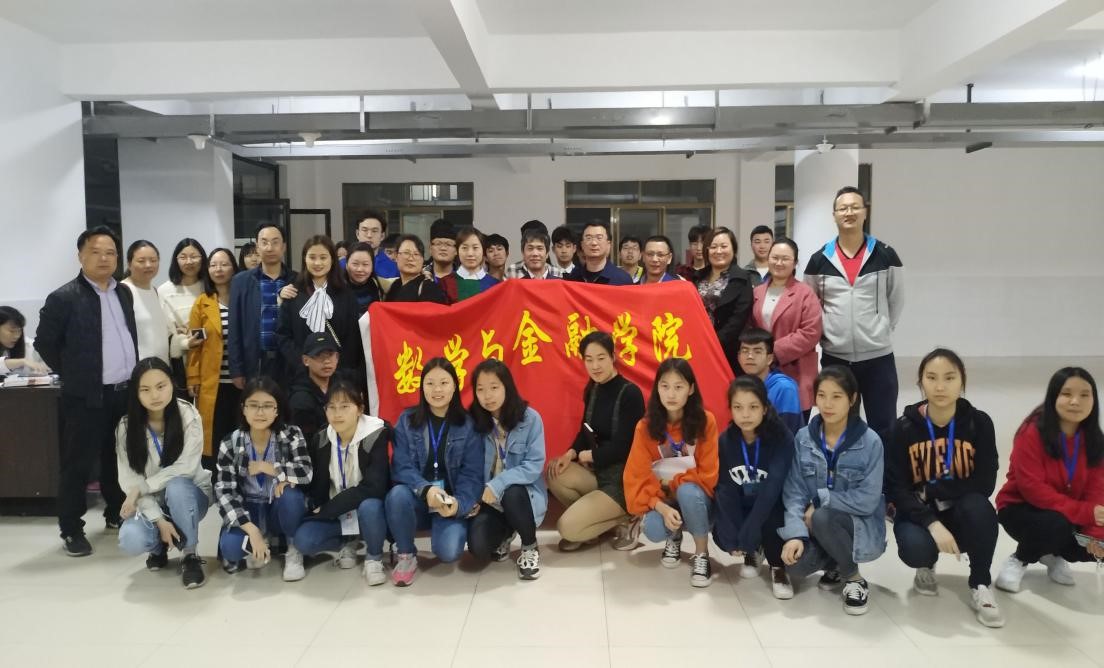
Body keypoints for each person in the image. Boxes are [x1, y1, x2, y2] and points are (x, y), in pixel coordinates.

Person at [36, 226, 138, 556]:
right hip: (85, 396)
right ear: (80, 256)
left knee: (117, 457)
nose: (104, 258)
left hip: (123, 392)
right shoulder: (64, 297)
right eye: (95, 252)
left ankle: (115, 512)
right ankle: (71, 528)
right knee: (78, 463)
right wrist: (76, 375)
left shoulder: (123, 293)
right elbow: (45, 344)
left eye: (110, 252)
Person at [885, 349, 1003, 627]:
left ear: (962, 381)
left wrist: (934, 491)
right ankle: (926, 565)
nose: (940, 386)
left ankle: (980, 583)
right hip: (918, 513)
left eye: (949, 378)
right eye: (932, 378)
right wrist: (931, 523)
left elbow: (985, 482)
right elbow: (896, 489)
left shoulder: (979, 423)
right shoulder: (903, 428)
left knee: (981, 509)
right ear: (921, 382)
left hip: (961, 509)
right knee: (915, 548)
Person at [779, 366, 886, 616]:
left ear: (852, 399)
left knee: (822, 516)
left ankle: (854, 578)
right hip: (815, 525)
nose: (827, 404)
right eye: (822, 395)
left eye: (836, 396)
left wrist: (821, 500)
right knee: (795, 566)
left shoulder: (870, 442)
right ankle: (837, 562)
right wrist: (795, 535)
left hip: (856, 526)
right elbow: (794, 491)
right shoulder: (803, 438)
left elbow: (868, 499)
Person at [804, 186, 904, 441]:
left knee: (884, 427)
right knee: (840, 425)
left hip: (878, 358)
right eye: (843, 208)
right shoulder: (819, 260)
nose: (849, 212)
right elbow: (811, 306)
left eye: (855, 207)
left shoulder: (885, 254)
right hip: (836, 357)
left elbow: (896, 299)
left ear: (865, 212)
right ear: (834, 215)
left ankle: (883, 469)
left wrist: (881, 328)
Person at [994, 367, 1104, 593]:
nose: (1076, 401)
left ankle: (1051, 553)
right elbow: (1033, 490)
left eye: (1085, 395)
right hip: (1020, 508)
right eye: (1067, 394)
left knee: (1087, 535)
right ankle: (1021, 558)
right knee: (1056, 525)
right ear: (1053, 396)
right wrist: (1085, 512)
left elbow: (1097, 490)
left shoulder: (1095, 440)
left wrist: (1094, 536)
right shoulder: (1031, 432)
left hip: (1068, 513)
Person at [385, 358, 484, 586]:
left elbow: (472, 475)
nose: (437, 390)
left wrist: (458, 505)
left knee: (449, 552)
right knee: (397, 495)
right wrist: (426, 489)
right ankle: (406, 555)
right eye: (430, 383)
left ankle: (456, 525)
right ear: (422, 387)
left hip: (448, 503)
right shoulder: (407, 421)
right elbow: (401, 466)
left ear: (455, 386)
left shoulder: (468, 425)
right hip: (418, 499)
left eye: (443, 383)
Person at [115, 358, 213, 589]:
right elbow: (130, 480)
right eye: (145, 389)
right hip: (151, 501)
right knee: (130, 539)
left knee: (177, 486)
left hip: (189, 495)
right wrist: (158, 519)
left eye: (161, 386)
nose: (155, 395)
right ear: (136, 393)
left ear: (172, 383)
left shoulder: (188, 415)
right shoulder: (126, 427)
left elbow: (186, 467)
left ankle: (189, 554)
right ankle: (158, 546)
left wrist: (142, 488)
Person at [624, 358, 720, 587]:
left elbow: (708, 474)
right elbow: (636, 476)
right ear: (657, 389)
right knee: (653, 529)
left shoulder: (706, 422)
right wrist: (661, 506)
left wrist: (672, 484)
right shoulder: (645, 427)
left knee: (687, 491)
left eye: (679, 387)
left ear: (691, 389)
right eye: (665, 386)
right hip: (664, 500)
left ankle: (701, 554)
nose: (671, 394)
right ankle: (674, 538)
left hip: (698, 500)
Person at [547, 331, 645, 551]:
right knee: (554, 472)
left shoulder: (630, 393)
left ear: (613, 357)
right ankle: (593, 525)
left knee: (566, 528)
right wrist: (570, 454)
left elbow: (625, 447)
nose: (595, 366)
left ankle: (629, 517)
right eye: (589, 360)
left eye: (601, 358)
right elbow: (585, 431)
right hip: (598, 474)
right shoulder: (594, 389)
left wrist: (589, 455)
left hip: (623, 481)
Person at [296, 376, 391, 584]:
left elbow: (374, 487)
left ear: (360, 409)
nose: (337, 414)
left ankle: (374, 557)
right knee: (304, 541)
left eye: (345, 406)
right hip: (339, 516)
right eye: (331, 407)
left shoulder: (377, 434)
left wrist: (329, 509)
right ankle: (347, 543)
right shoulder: (322, 438)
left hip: (367, 511)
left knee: (370, 506)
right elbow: (316, 484)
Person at [215, 376, 311, 580]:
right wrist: (251, 530)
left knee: (290, 495)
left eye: (267, 406)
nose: (260, 412)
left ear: (277, 410)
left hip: (277, 507)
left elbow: (306, 472)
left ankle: (293, 550)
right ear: (243, 408)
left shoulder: (291, 434)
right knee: (230, 548)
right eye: (253, 405)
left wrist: (270, 468)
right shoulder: (230, 443)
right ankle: (258, 542)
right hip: (249, 508)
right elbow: (224, 492)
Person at [712, 376, 796, 599]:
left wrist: (749, 531)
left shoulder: (782, 437)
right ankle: (754, 551)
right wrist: (734, 534)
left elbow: (772, 488)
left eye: (753, 407)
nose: (745, 415)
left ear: (765, 408)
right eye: (738, 407)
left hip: (774, 504)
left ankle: (778, 568)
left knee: (771, 523)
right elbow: (726, 488)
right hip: (744, 503)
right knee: (722, 535)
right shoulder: (725, 440)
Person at [467, 359, 548, 579]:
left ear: (507, 387)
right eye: (481, 389)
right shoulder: (473, 422)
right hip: (489, 500)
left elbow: (533, 465)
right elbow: (469, 466)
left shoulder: (530, 419)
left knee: (511, 491)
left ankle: (529, 546)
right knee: (478, 547)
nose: (488, 396)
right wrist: (472, 496)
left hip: (522, 496)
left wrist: (498, 483)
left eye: (494, 387)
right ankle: (507, 531)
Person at [751, 238, 822, 422]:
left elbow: (811, 333)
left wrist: (771, 352)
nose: (779, 263)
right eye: (775, 257)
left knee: (792, 431)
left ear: (795, 262)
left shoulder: (805, 293)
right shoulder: (757, 292)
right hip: (761, 374)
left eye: (785, 259)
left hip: (796, 371)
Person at [275, 235, 362, 383]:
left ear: (332, 260)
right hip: (301, 375)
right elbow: (283, 335)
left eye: (323, 257)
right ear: (305, 259)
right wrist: (304, 363)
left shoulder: (345, 294)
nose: (317, 263)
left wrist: (337, 367)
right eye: (312, 257)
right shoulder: (294, 292)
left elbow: (353, 337)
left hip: (339, 375)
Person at [186, 247, 240, 470]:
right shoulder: (202, 303)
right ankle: (216, 480)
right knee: (215, 435)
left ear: (234, 268)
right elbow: (194, 346)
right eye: (213, 265)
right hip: (213, 383)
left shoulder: (242, 298)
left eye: (224, 264)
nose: (219, 269)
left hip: (241, 381)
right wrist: (193, 378)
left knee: (241, 433)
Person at [228, 222, 297, 387]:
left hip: (289, 362)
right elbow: (235, 328)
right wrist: (236, 370)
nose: (269, 248)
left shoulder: (297, 280)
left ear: (284, 246)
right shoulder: (241, 281)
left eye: (275, 242)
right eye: (264, 242)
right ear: (257, 247)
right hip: (255, 361)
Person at [694, 227, 753, 376]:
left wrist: (713, 343)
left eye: (724, 246)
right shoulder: (697, 277)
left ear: (734, 249)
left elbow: (738, 319)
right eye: (713, 247)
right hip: (698, 347)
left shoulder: (742, 278)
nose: (718, 251)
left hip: (728, 350)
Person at [158, 238, 208, 387]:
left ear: (202, 258)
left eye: (194, 256)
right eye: (183, 257)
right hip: (179, 361)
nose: (189, 262)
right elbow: (163, 330)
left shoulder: (209, 287)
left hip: (209, 354)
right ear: (176, 260)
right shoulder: (164, 291)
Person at [736, 329, 802, 433]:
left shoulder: (785, 388)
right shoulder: (739, 387)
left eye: (757, 351)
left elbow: (787, 434)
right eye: (745, 351)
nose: (750, 356)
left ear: (769, 358)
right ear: (739, 358)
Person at [120, 241, 174, 365]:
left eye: (153, 260)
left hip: (161, 367)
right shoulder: (123, 291)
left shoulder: (155, 291)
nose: (148, 265)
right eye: (141, 261)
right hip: (138, 369)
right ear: (129, 264)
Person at [288, 331, 341, 445]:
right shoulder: (300, 399)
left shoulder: (343, 388)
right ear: (306, 360)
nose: (326, 361)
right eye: (319, 355)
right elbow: (306, 441)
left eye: (330, 355)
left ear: (337, 357)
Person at [439, 227, 502, 303]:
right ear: (456, 251)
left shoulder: (495, 285)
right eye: (464, 248)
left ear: (483, 251)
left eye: (475, 248)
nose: (470, 253)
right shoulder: (445, 283)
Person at [565, 221, 634, 285]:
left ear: (608, 244)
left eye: (599, 238)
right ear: (582, 245)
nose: (594, 243)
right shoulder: (573, 278)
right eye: (588, 238)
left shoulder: (622, 279)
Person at [385, 235, 448, 304]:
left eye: (416, 254)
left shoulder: (429, 288)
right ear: (396, 257)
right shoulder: (395, 285)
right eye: (406, 253)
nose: (411, 258)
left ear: (422, 260)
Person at [344, 241, 389, 314]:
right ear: (346, 265)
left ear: (372, 266)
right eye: (355, 264)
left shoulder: (382, 287)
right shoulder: (336, 287)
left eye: (365, 264)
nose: (360, 269)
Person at [0, 306, 47, 376]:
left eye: (19, 330)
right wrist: (22, 361)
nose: (17, 336)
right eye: (12, 331)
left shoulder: (30, 347)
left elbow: (46, 366)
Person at [352, 209, 398, 279]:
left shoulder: (394, 268)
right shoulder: (342, 265)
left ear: (382, 236)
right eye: (365, 230)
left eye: (374, 231)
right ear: (357, 234)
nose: (369, 235)